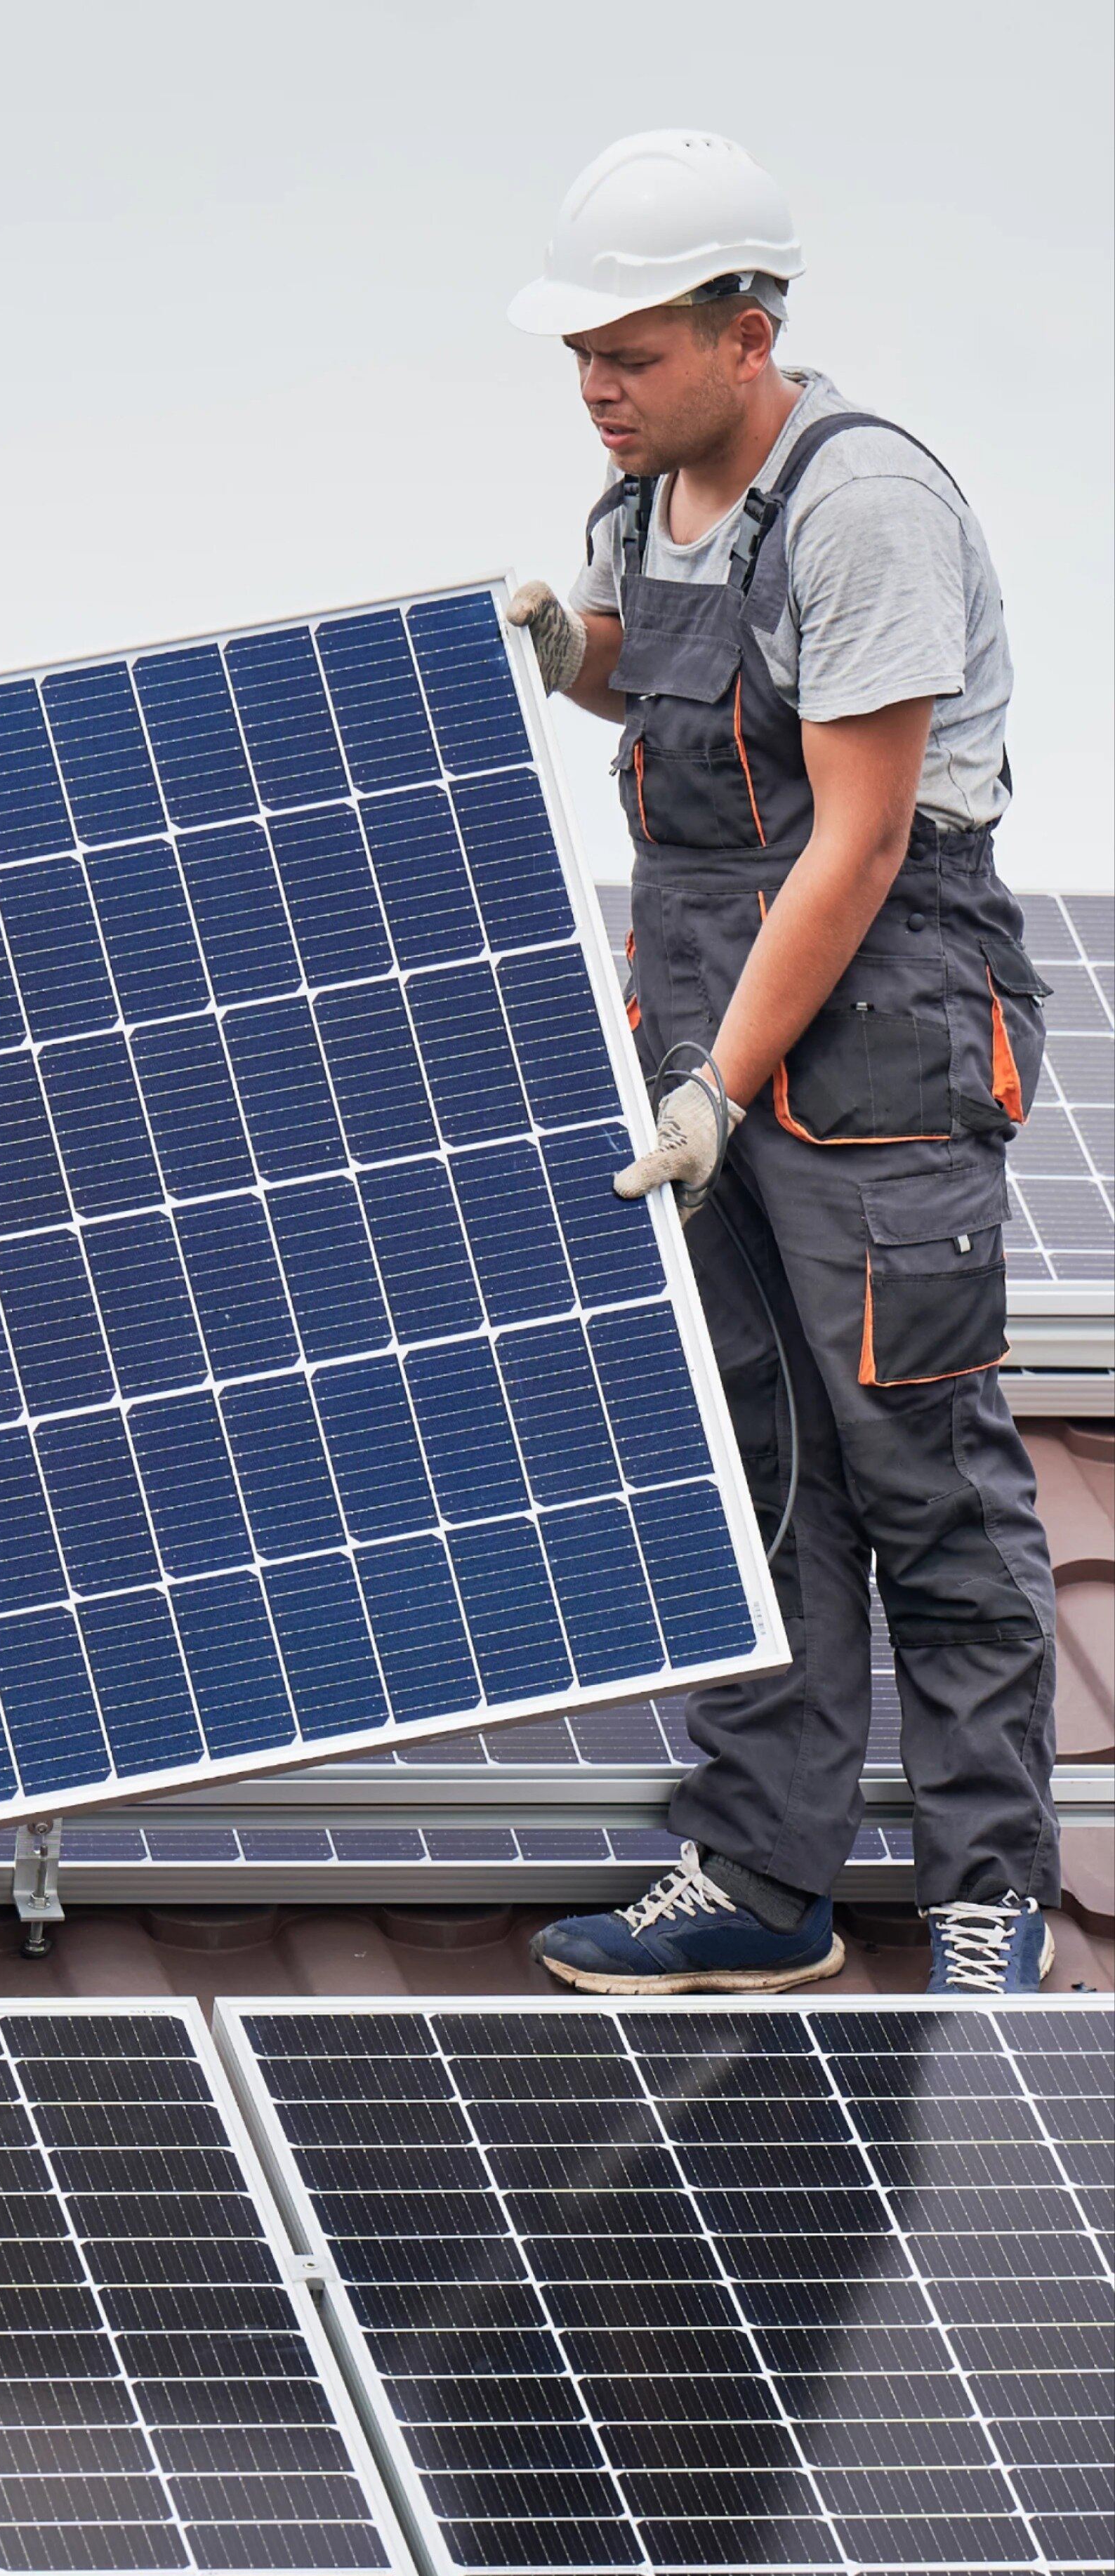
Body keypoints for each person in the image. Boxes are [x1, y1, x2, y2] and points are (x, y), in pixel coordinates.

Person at [499, 132, 1059, 1997]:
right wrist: (568, 645)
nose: (598, 385)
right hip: (703, 1002)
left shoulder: (859, 503)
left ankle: (991, 1889)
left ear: (748, 336)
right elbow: (653, 694)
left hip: (877, 1020)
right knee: (754, 1464)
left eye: (633, 351)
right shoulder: (637, 494)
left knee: (923, 1463)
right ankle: (760, 1873)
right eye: (580, 351)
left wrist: (720, 1085)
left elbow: (861, 839)